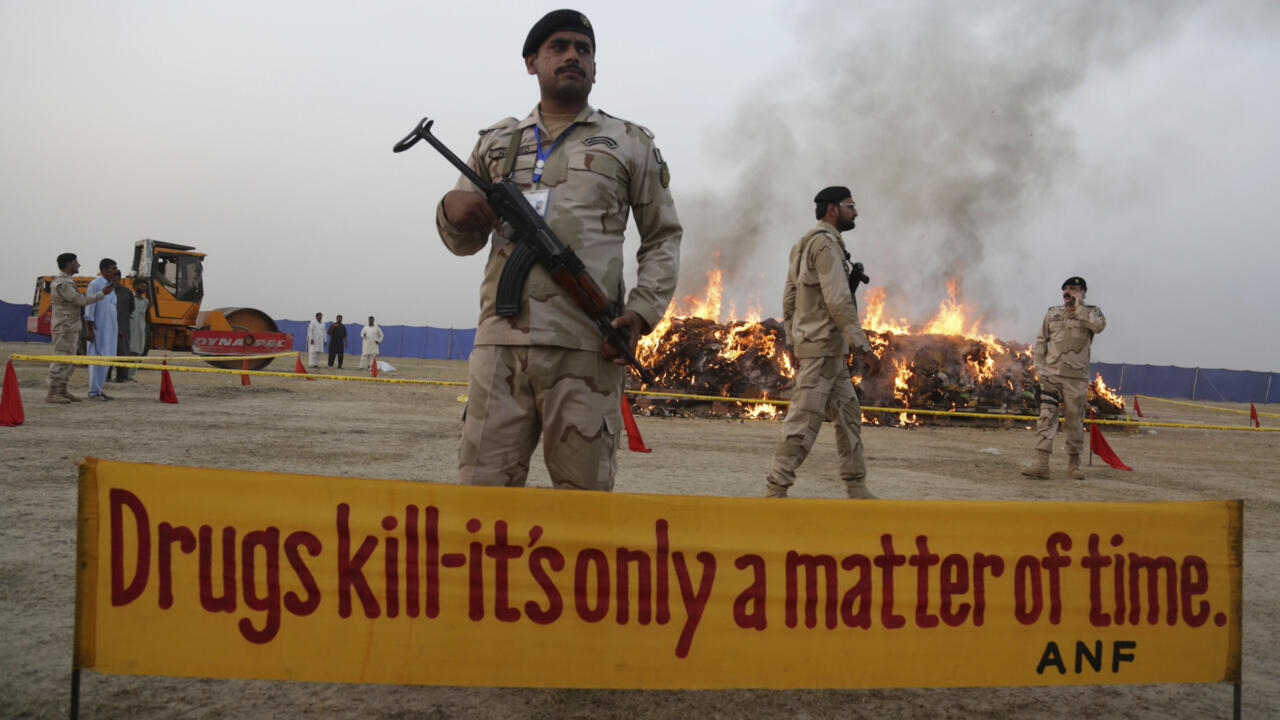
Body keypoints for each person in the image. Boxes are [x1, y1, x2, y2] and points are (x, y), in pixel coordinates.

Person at [435, 9, 682, 491]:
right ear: (532, 63)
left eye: (583, 50)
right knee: (482, 502)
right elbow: (463, 243)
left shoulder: (629, 142)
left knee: (582, 507)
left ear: (595, 68)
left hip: (588, 348)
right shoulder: (497, 143)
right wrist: (449, 209)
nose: (573, 56)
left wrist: (641, 312)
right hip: (500, 348)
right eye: (559, 47)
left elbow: (662, 237)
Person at [764, 187, 880, 499]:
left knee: (849, 417)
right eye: (850, 206)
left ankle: (856, 486)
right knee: (803, 421)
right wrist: (863, 347)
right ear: (832, 209)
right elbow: (839, 301)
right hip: (823, 349)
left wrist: (793, 340)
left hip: (825, 350)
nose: (855, 212)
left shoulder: (803, 244)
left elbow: (789, 297)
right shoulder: (826, 246)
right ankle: (776, 490)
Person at [1021, 276, 1107, 480]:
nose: (1068, 292)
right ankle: (1042, 464)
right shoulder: (1053, 313)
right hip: (1051, 377)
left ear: (1083, 292)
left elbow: (1098, 327)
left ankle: (1074, 464)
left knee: (1075, 422)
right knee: (1046, 419)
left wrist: (1079, 307)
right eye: (1066, 289)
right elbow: (1041, 340)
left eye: (1074, 288)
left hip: (1076, 379)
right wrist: (1040, 368)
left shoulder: (1091, 313)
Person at [45, 253, 111, 404]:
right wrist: (101, 294)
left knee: (70, 360)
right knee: (61, 359)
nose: (78, 265)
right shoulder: (63, 283)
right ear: (68, 264)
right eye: (76, 262)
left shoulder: (67, 282)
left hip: (70, 326)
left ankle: (62, 390)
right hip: (64, 327)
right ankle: (52, 392)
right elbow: (79, 300)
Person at [84, 258, 121, 400]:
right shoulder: (96, 284)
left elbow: (112, 309)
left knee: (106, 359)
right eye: (113, 268)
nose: (115, 270)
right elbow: (89, 308)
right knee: (96, 360)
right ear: (105, 269)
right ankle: (93, 392)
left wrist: (117, 329)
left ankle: (99, 389)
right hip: (98, 329)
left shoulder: (111, 287)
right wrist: (89, 329)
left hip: (110, 329)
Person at [121, 282, 149, 381]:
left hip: (140, 330)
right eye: (142, 286)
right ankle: (120, 375)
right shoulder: (129, 298)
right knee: (126, 351)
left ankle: (130, 376)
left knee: (138, 352)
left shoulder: (145, 301)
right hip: (130, 329)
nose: (144, 288)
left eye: (145, 287)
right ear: (135, 286)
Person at [109, 282, 135, 382]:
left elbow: (132, 308)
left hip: (123, 325)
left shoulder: (127, 292)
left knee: (123, 351)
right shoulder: (106, 291)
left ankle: (122, 376)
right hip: (108, 326)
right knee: (108, 351)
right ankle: (106, 376)